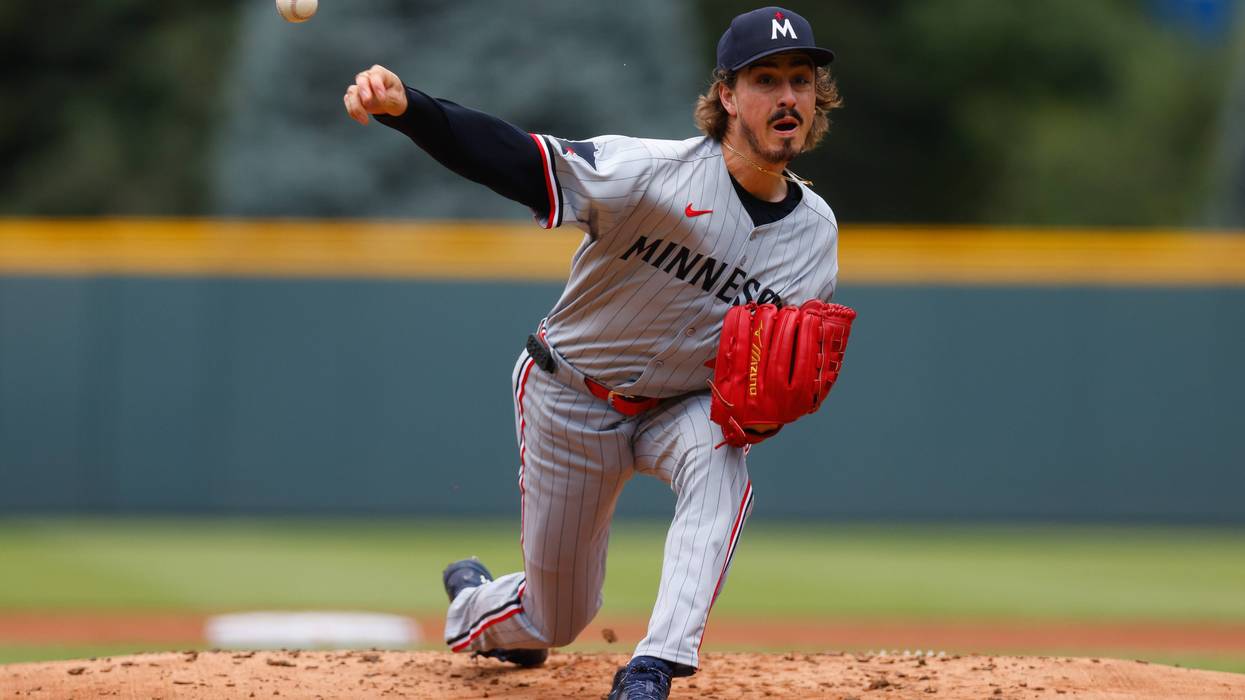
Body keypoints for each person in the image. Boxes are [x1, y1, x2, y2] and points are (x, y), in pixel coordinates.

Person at [343, 6, 842, 699]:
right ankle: (474, 603)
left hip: (682, 408)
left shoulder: (815, 236)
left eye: (800, 79)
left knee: (724, 458)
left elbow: (767, 370)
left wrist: (762, 412)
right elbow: (518, 159)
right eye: (765, 80)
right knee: (558, 616)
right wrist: (411, 110)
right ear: (726, 95)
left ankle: (654, 664)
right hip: (572, 395)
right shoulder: (647, 173)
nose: (787, 96)